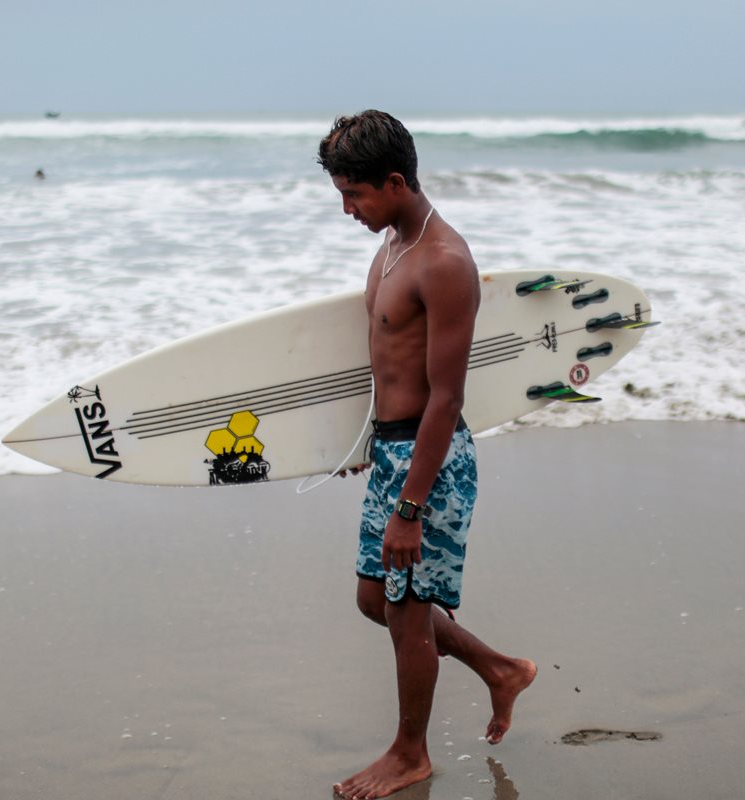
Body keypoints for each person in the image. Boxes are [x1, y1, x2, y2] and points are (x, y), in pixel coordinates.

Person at [318, 110, 537, 800]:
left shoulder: (444, 263)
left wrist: (409, 507)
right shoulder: (388, 247)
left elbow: (445, 398)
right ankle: (500, 669)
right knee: (373, 600)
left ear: (394, 180)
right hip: (389, 450)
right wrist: (364, 439)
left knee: (408, 609)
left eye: (355, 195)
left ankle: (410, 753)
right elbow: (386, 364)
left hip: (429, 462)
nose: (347, 210)